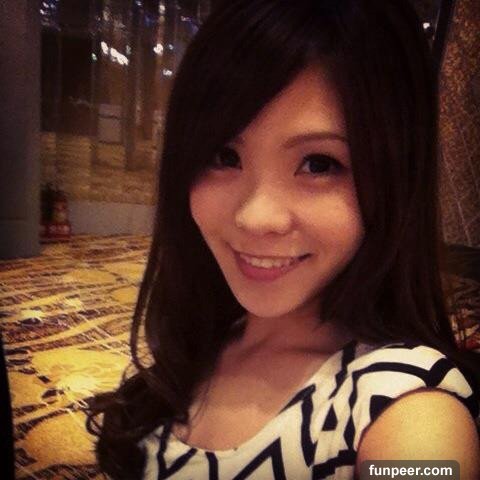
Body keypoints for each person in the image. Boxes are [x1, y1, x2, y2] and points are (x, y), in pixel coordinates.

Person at [86, 1, 480, 478]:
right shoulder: (204, 341)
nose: (255, 217)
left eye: (319, 164)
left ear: (395, 180)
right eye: (224, 155)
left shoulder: (409, 412)